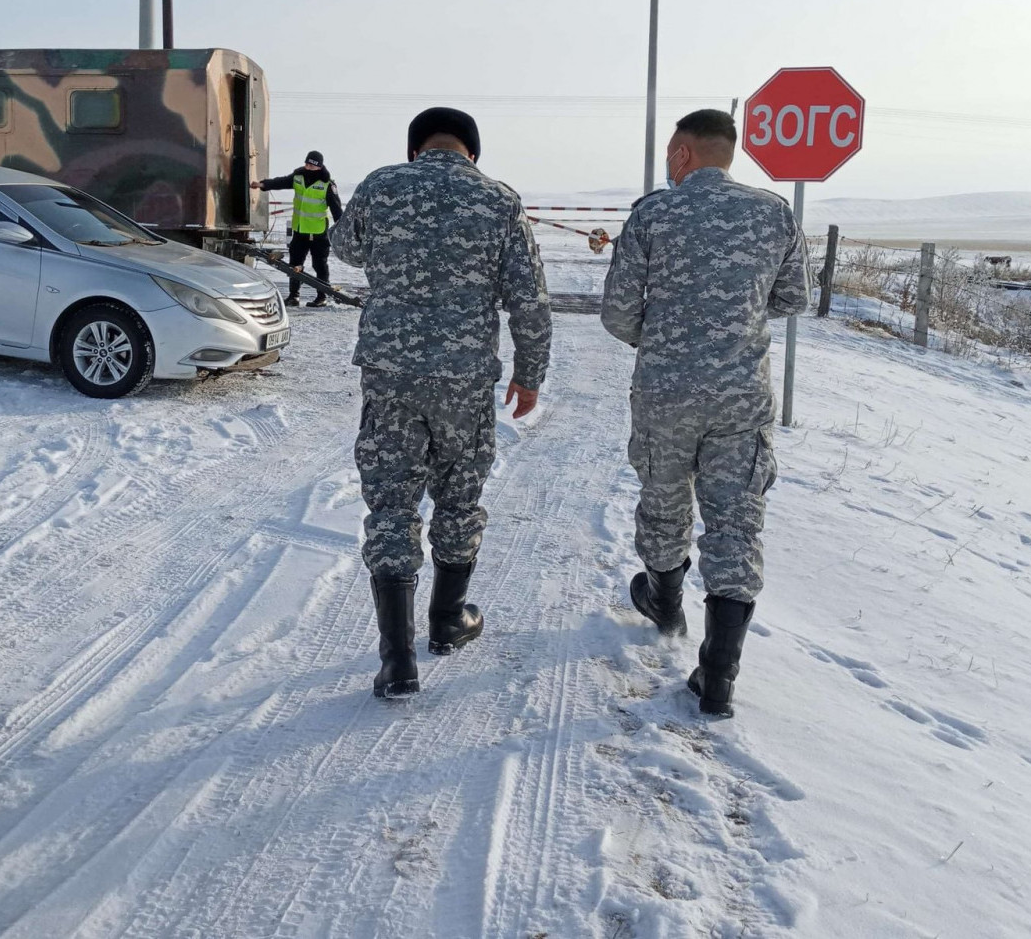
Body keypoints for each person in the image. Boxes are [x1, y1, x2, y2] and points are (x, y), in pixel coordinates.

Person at [330, 107, 552, 699]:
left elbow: (345, 248)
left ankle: (397, 659)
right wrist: (530, 375)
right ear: (471, 151)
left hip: (391, 375)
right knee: (460, 495)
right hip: (465, 378)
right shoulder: (498, 200)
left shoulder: (382, 185)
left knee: (392, 503)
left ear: (415, 149)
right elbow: (529, 300)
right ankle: (448, 622)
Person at [600, 109, 809, 717]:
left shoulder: (653, 214)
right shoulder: (772, 212)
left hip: (665, 393)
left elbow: (616, 313)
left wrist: (664, 342)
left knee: (664, 504)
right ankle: (717, 676)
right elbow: (793, 296)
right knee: (735, 521)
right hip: (740, 396)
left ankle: (665, 606)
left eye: (671, 151)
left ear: (683, 153)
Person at [252, 151, 343, 306]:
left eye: (312, 165)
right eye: (306, 164)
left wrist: (341, 230)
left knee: (319, 265)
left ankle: (321, 297)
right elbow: (281, 182)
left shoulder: (327, 184)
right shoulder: (298, 177)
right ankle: (294, 296)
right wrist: (263, 184)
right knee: (295, 264)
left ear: (319, 167)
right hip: (299, 230)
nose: (308, 167)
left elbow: (336, 210)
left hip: (318, 232)